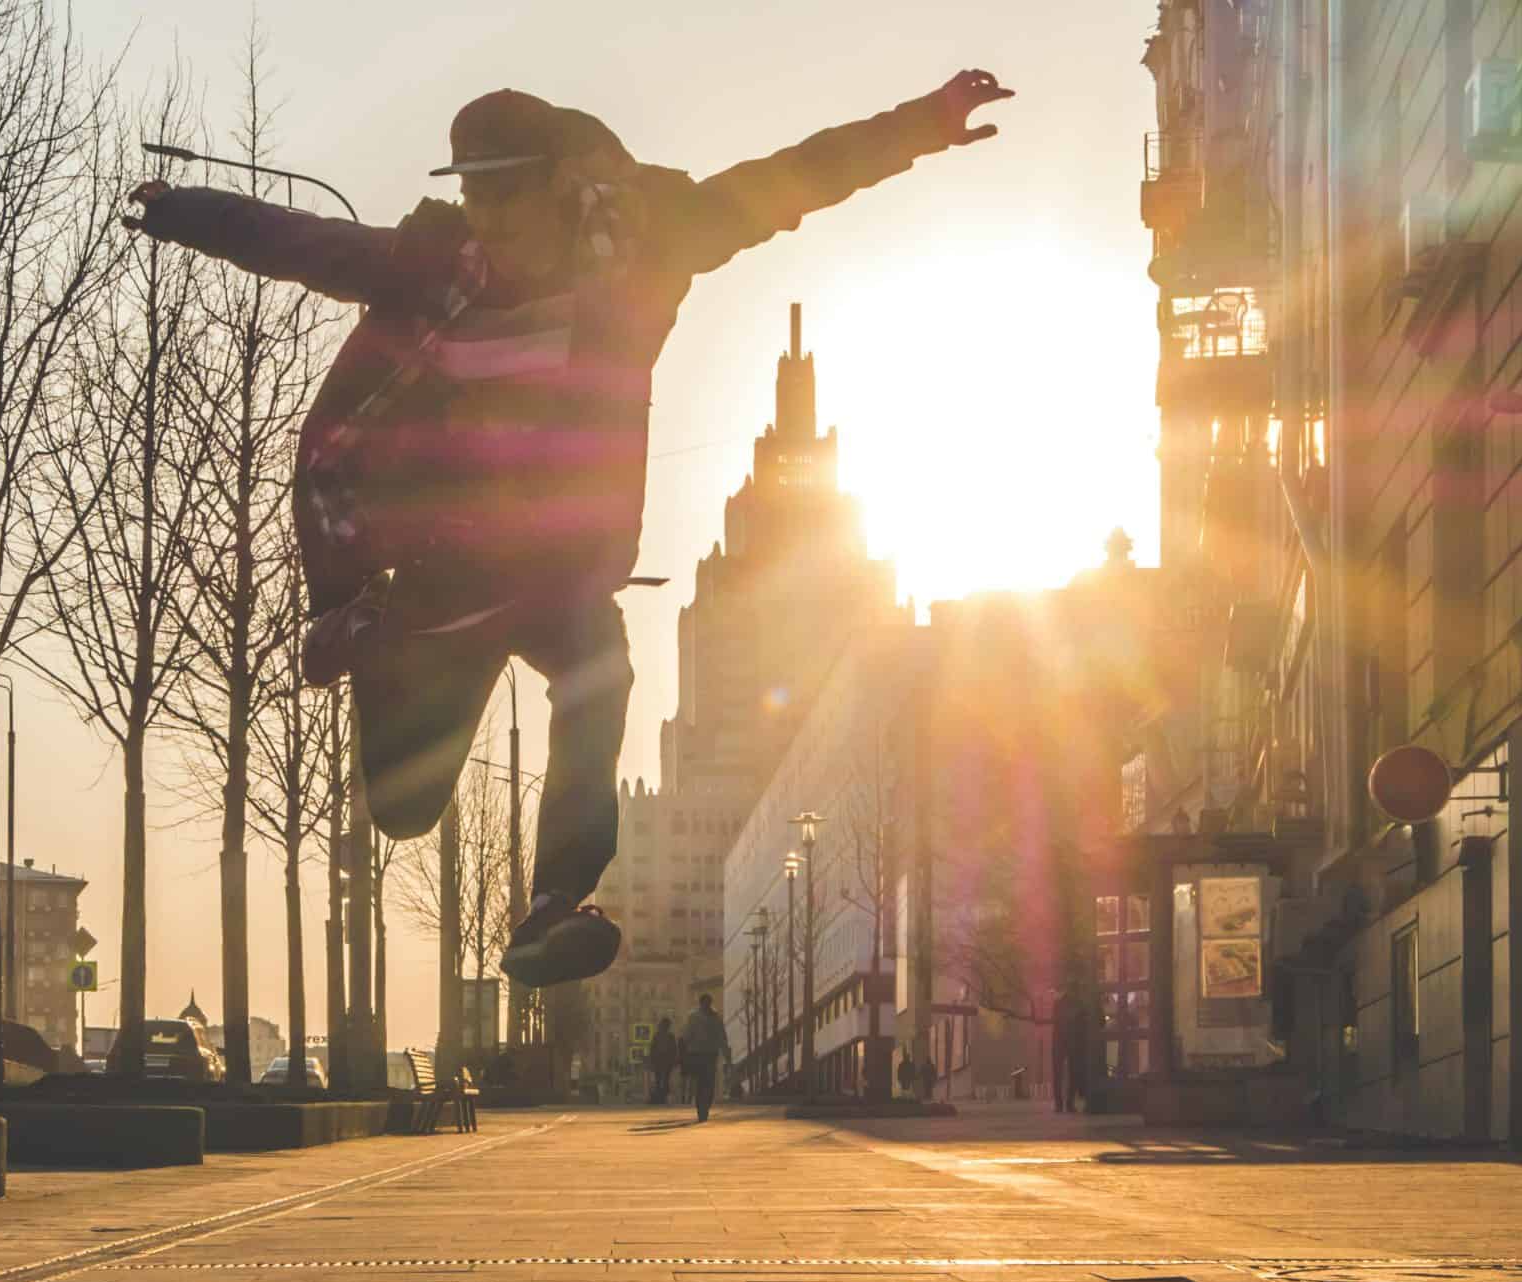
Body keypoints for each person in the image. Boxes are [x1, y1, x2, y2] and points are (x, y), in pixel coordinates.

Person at [128, 72, 1015, 991]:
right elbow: (297, 241)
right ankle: (375, 643)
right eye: (471, 191)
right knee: (401, 810)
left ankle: (554, 904)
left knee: (601, 674)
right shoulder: (432, 265)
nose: (485, 215)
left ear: (560, 184)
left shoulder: (648, 248)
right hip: (445, 564)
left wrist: (926, 123)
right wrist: (177, 208)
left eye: (503, 192)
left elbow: (787, 182)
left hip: (558, 570)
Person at [679, 993, 729, 1122]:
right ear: (701, 1003)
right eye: (705, 1003)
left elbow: (722, 1037)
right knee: (703, 1082)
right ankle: (702, 1109)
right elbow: (687, 1034)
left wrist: (726, 1053)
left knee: (708, 1082)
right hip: (699, 1054)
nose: (706, 1005)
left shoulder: (715, 1017)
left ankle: (704, 1106)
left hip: (708, 1054)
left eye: (708, 1002)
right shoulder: (695, 1017)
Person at [1050, 985, 1088, 1114]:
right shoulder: (1079, 1004)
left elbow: (1056, 1022)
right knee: (1073, 1073)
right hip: (1073, 1042)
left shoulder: (1058, 1004)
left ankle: (1059, 1104)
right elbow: (1083, 1025)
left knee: (1058, 1073)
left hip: (1059, 1041)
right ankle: (1069, 1103)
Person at [646, 1016, 679, 1104]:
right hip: (663, 1062)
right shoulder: (666, 1036)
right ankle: (661, 1097)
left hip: (662, 1061)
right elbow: (674, 1049)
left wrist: (651, 1061)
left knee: (661, 1080)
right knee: (663, 1080)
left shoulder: (660, 1036)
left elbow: (653, 1049)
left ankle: (661, 1097)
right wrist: (675, 1060)